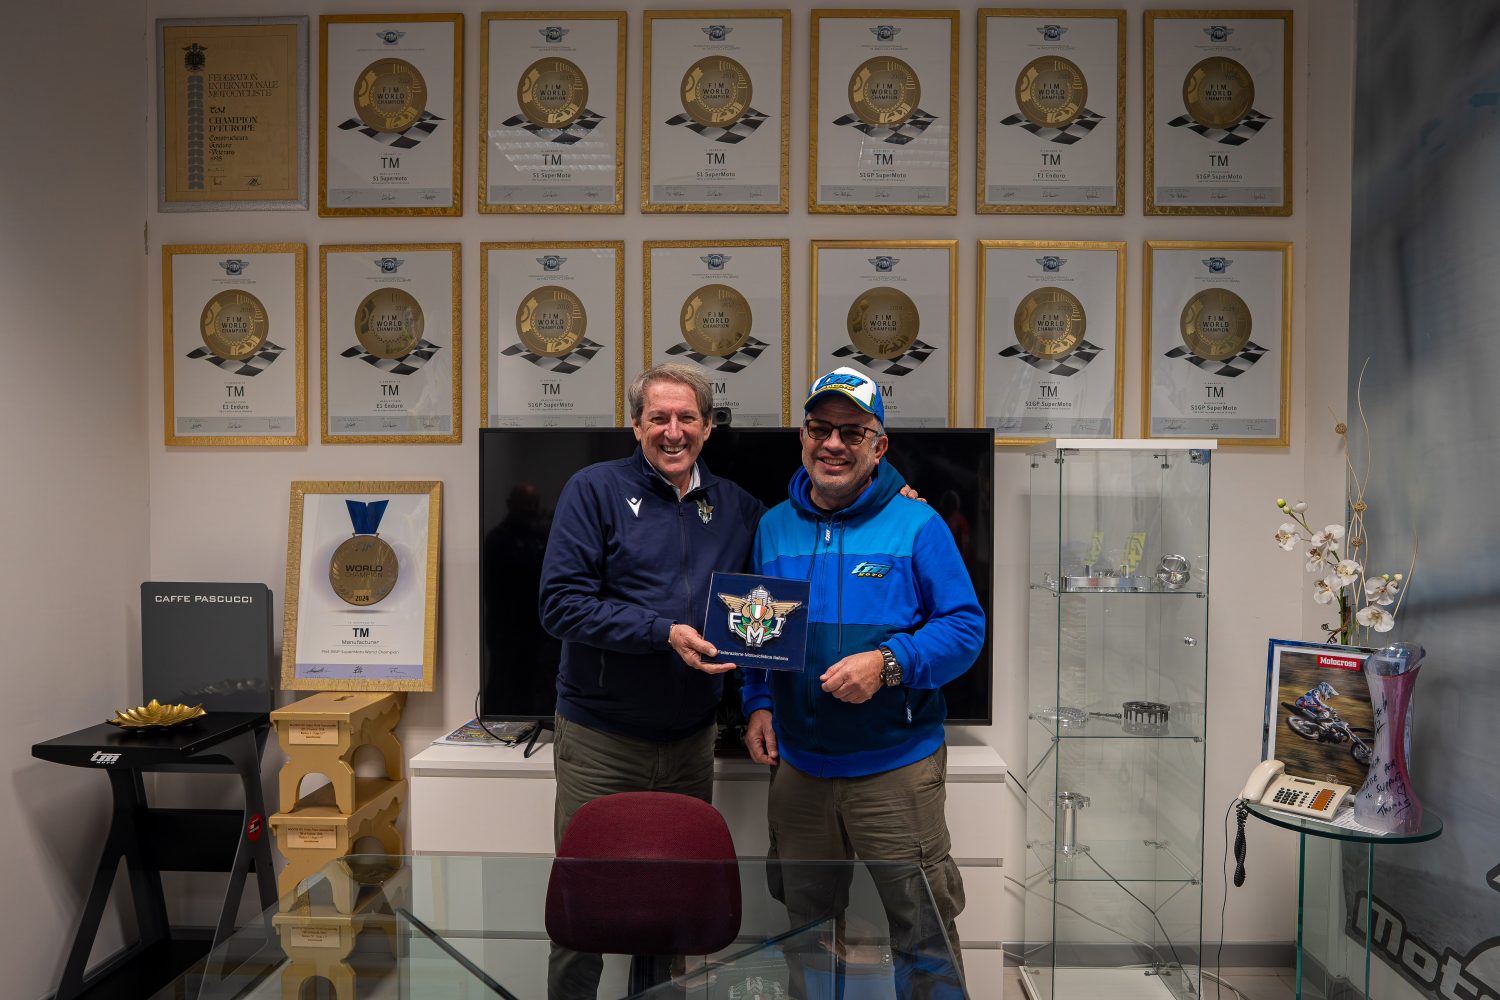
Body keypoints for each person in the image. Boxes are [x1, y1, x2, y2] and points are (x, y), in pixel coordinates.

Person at [742, 367, 986, 998]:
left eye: (852, 432)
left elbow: (964, 629)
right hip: (799, 770)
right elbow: (757, 631)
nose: (833, 443)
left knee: (923, 929)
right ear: (803, 437)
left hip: (894, 769)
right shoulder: (773, 527)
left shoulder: (918, 526)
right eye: (820, 428)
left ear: (879, 446)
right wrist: (759, 702)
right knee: (808, 930)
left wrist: (889, 663)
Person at [538, 363, 762, 997]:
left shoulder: (739, 508)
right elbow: (560, 605)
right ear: (635, 425)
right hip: (600, 740)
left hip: (690, 742)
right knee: (582, 910)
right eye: (658, 417)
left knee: (672, 909)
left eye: (687, 417)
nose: (673, 431)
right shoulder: (594, 490)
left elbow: (796, 547)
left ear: (708, 427)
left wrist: (896, 491)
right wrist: (663, 632)